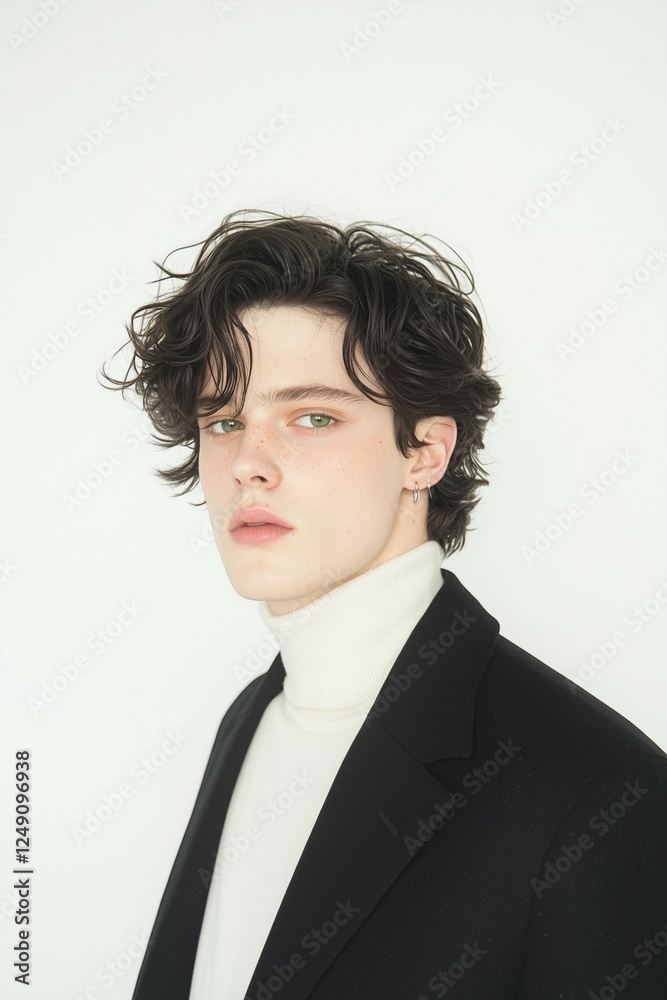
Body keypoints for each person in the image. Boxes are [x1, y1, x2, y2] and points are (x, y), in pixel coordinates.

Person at [100, 209, 667, 999]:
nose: (247, 464)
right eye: (225, 419)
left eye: (312, 416)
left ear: (424, 453)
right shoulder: (252, 715)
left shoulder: (597, 792)